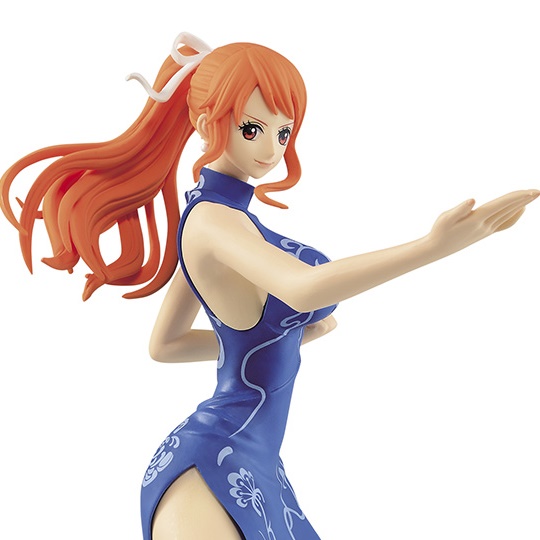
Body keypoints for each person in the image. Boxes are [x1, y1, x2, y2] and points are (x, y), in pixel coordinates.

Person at [1, 32, 537, 540]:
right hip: (215, 468)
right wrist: (432, 246)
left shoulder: (219, 217)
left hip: (252, 459)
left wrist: (277, 339)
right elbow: (303, 288)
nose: (273, 148)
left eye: (284, 132)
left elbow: (166, 345)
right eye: (253, 128)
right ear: (208, 122)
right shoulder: (214, 222)